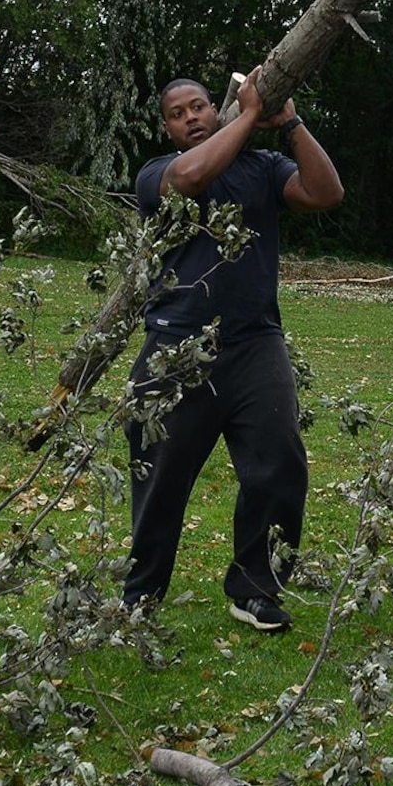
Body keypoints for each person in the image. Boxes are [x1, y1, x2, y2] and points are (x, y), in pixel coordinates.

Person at [122, 69, 343, 631]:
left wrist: (288, 123)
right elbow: (192, 178)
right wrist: (248, 116)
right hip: (176, 347)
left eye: (199, 106)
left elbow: (326, 192)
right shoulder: (157, 174)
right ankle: (141, 596)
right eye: (178, 113)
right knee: (159, 477)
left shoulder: (264, 169)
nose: (191, 117)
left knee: (279, 466)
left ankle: (254, 590)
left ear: (213, 110)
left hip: (254, 345)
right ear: (169, 129)